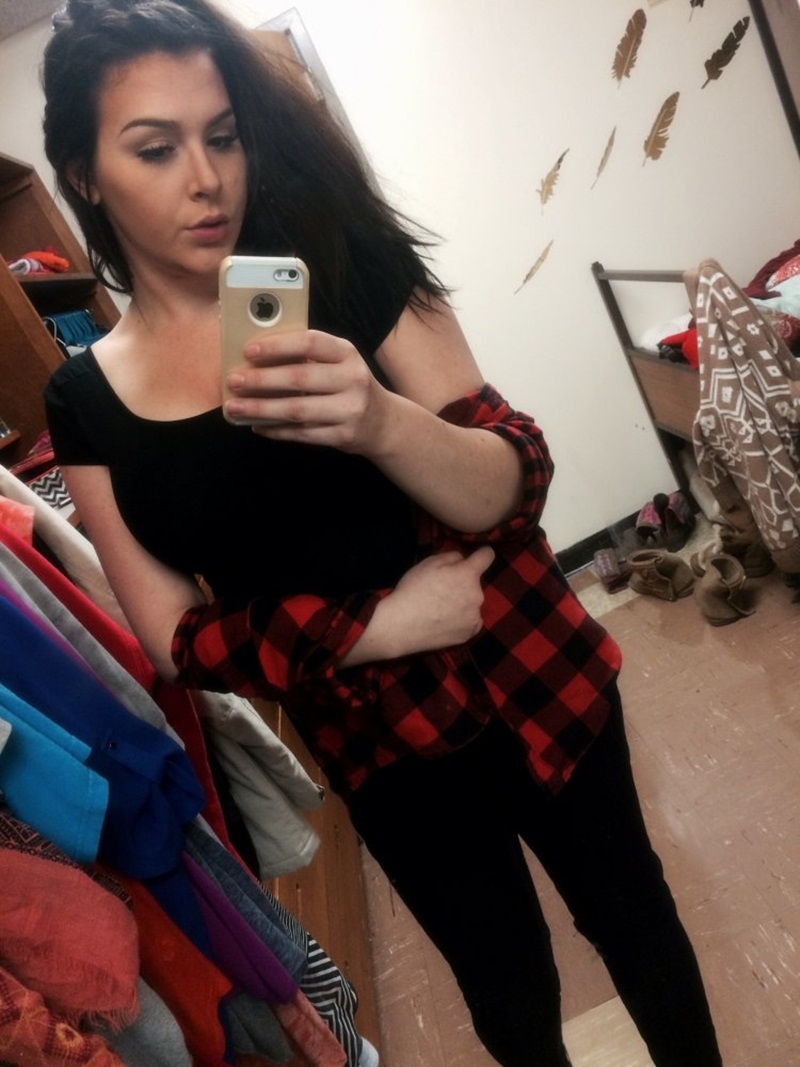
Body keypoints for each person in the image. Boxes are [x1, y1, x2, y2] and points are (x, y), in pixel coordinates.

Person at [41, 2, 724, 1065]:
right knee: (506, 985)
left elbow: (513, 477)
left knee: (633, 915)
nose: (207, 179)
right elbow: (173, 637)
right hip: (377, 739)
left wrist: (379, 421)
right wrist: (379, 625)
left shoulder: (346, 259)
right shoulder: (85, 405)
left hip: (528, 662)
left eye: (223, 136)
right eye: (155, 148)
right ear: (85, 173)